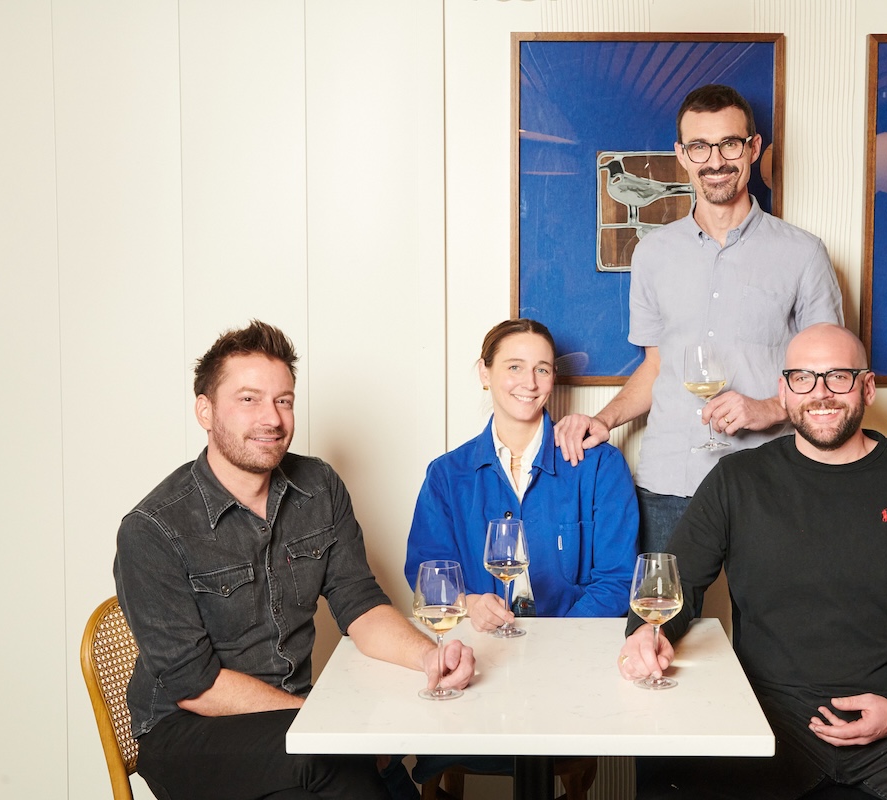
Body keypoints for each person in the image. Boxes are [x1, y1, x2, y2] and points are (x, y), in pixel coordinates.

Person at [616, 323, 887, 800]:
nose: (820, 393)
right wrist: (646, 632)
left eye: (838, 377)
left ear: (867, 387)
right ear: (783, 391)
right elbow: (672, 585)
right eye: (803, 378)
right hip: (770, 716)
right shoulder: (736, 480)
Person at [114, 320, 474, 800]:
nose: (272, 418)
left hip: (293, 719)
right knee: (335, 760)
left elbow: (360, 603)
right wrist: (320, 724)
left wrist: (430, 656)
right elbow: (194, 686)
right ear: (205, 409)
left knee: (372, 761)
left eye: (283, 400)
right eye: (249, 399)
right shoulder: (152, 529)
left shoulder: (318, 487)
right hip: (186, 732)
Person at [554, 83, 843, 555]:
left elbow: (830, 379)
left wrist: (766, 409)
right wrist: (604, 420)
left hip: (767, 477)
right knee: (659, 621)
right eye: (700, 146)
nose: (715, 160)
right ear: (682, 155)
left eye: (729, 143)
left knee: (773, 628)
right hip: (670, 479)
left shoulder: (803, 253)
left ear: (752, 149)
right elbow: (656, 366)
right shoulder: (651, 254)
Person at [405, 317, 638, 631]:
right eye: (514, 367)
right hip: (481, 647)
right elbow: (428, 575)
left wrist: (557, 644)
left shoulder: (600, 466)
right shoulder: (446, 475)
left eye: (541, 369)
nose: (530, 383)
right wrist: (470, 604)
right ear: (484, 373)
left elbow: (618, 581)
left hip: (576, 649)